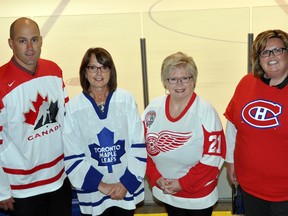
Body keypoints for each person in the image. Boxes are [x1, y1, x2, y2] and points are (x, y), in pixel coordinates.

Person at [0, 17, 72, 216]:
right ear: (10, 43)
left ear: (41, 40)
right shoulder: (0, 83)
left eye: (34, 39)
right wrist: (2, 189)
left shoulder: (54, 71)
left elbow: (67, 122)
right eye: (22, 41)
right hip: (23, 190)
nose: (30, 47)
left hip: (59, 179)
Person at [63, 47, 147, 216]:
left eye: (104, 67)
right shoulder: (73, 109)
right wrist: (102, 186)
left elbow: (138, 144)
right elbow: (73, 155)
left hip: (125, 189)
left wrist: (125, 184)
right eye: (92, 67)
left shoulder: (126, 100)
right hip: (95, 193)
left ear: (111, 71)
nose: (99, 73)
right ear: (84, 72)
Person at [142, 51, 226, 216]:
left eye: (185, 78)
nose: (179, 84)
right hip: (167, 191)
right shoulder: (153, 108)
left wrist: (181, 183)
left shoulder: (205, 111)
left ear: (193, 80)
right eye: (172, 79)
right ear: (165, 82)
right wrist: (156, 177)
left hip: (198, 196)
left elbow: (213, 158)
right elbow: (141, 147)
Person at [225, 29, 288, 216]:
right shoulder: (247, 82)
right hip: (250, 188)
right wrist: (230, 160)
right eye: (265, 52)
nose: (271, 56)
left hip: (284, 194)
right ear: (258, 58)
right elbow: (233, 124)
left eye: (278, 50)